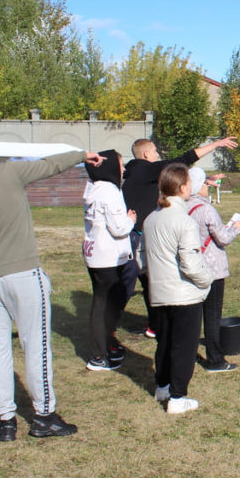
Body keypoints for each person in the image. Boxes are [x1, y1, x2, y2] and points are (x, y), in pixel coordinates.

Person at [0, 129, 105, 442]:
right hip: (23, 275)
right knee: (37, 346)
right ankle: (44, 416)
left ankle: (5, 419)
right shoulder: (8, 172)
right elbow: (48, 165)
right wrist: (82, 154)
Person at [122, 136, 236, 338]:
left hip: (140, 234)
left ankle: (155, 325)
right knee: (152, 280)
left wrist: (205, 181)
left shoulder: (136, 174)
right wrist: (216, 145)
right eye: (155, 151)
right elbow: (182, 161)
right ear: (146, 154)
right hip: (140, 238)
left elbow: (172, 183)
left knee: (150, 281)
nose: (158, 155)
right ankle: (157, 325)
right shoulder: (143, 169)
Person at [143, 163, 213, 414]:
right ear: (183, 187)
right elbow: (191, 264)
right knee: (184, 347)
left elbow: (144, 257)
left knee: (164, 342)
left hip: (159, 293)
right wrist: (207, 280)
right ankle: (177, 397)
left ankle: (162, 386)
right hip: (183, 295)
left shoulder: (151, 218)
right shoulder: (184, 221)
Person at [184, 166, 240, 372]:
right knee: (212, 315)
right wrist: (235, 228)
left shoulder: (180, 206)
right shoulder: (206, 209)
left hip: (189, 266)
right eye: (204, 183)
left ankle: (187, 353)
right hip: (212, 269)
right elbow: (223, 238)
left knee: (191, 315)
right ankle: (215, 360)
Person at [82, 149, 136, 371]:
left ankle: (103, 349)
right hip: (108, 257)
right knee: (104, 307)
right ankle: (99, 354)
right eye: (120, 165)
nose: (123, 170)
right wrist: (130, 219)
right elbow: (119, 228)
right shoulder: (110, 191)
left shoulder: (92, 188)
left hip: (94, 253)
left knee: (100, 304)